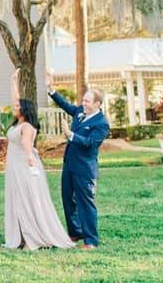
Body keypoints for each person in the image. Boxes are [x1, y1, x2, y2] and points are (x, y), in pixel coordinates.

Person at [5, 70, 75, 250]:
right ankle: (21, 235)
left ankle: (33, 237)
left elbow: (27, 144)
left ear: (24, 110)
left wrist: (30, 157)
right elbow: (16, 99)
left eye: (17, 106)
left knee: (28, 199)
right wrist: (13, 82)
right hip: (14, 165)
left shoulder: (27, 126)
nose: (14, 107)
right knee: (17, 199)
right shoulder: (18, 122)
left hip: (24, 164)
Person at [46, 71, 111, 249]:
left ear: (97, 104)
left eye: (87, 101)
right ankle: (75, 233)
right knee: (68, 200)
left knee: (86, 203)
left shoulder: (102, 123)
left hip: (84, 168)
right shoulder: (80, 112)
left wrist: (71, 135)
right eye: (83, 100)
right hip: (69, 165)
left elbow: (91, 143)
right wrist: (51, 90)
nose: (83, 103)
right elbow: (66, 105)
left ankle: (91, 241)